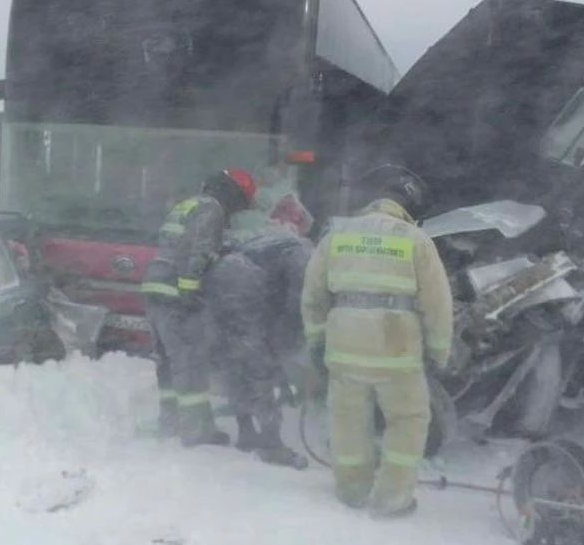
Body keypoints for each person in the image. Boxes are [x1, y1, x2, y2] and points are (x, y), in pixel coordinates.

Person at [300, 164, 454, 517]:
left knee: (348, 421)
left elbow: (312, 296)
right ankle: (392, 499)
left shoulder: (336, 236)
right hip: (396, 351)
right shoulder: (415, 240)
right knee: (408, 420)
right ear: (406, 206)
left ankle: (352, 489)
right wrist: (438, 351)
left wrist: (316, 341)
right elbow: (437, 303)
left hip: (344, 348)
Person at [142, 168, 258, 447]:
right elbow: (198, 251)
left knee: (167, 364)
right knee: (190, 363)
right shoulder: (212, 210)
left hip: (155, 288)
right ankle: (196, 432)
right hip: (176, 294)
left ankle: (169, 422)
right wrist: (190, 293)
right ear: (232, 195)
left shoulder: (188, 204)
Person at [205, 230, 313, 469]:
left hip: (221, 276)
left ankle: (246, 431)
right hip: (242, 283)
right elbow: (295, 306)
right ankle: (272, 445)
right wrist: (286, 344)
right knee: (260, 365)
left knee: (236, 358)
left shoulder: (278, 241)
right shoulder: (308, 256)